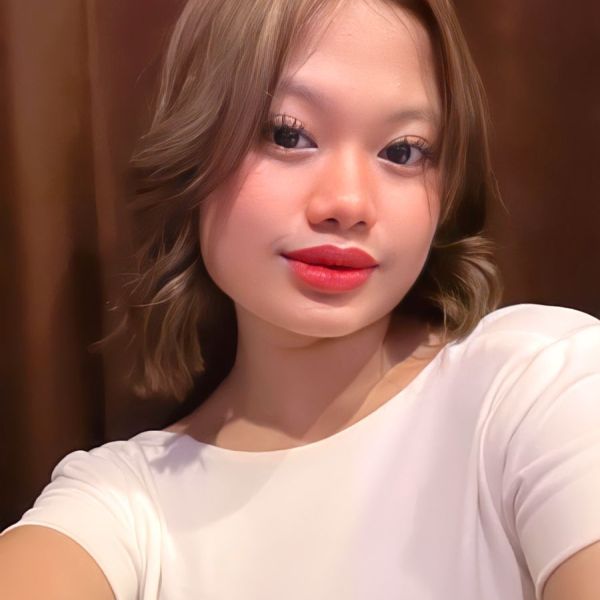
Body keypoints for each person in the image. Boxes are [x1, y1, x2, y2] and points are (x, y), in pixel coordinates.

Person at [1, 0, 599, 598]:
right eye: (288, 135)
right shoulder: (121, 505)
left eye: (403, 151)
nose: (349, 204)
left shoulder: (541, 385)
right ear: (193, 150)